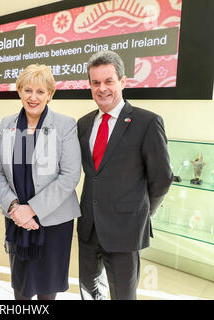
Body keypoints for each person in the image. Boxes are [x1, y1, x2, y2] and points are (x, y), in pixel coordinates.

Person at [77, 50, 173, 300]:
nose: (102, 88)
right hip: (88, 226)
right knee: (89, 292)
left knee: (122, 295)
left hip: (125, 229)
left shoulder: (147, 122)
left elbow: (162, 178)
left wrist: (140, 212)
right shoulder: (84, 124)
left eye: (109, 81)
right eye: (95, 82)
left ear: (123, 81)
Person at [0, 64, 82, 300]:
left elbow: (70, 175)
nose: (33, 97)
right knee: (20, 287)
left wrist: (32, 209)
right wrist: (15, 208)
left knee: (47, 287)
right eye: (28, 90)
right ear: (20, 91)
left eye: (41, 92)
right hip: (17, 219)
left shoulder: (65, 125)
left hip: (53, 221)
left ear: (50, 95)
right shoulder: (6, 124)